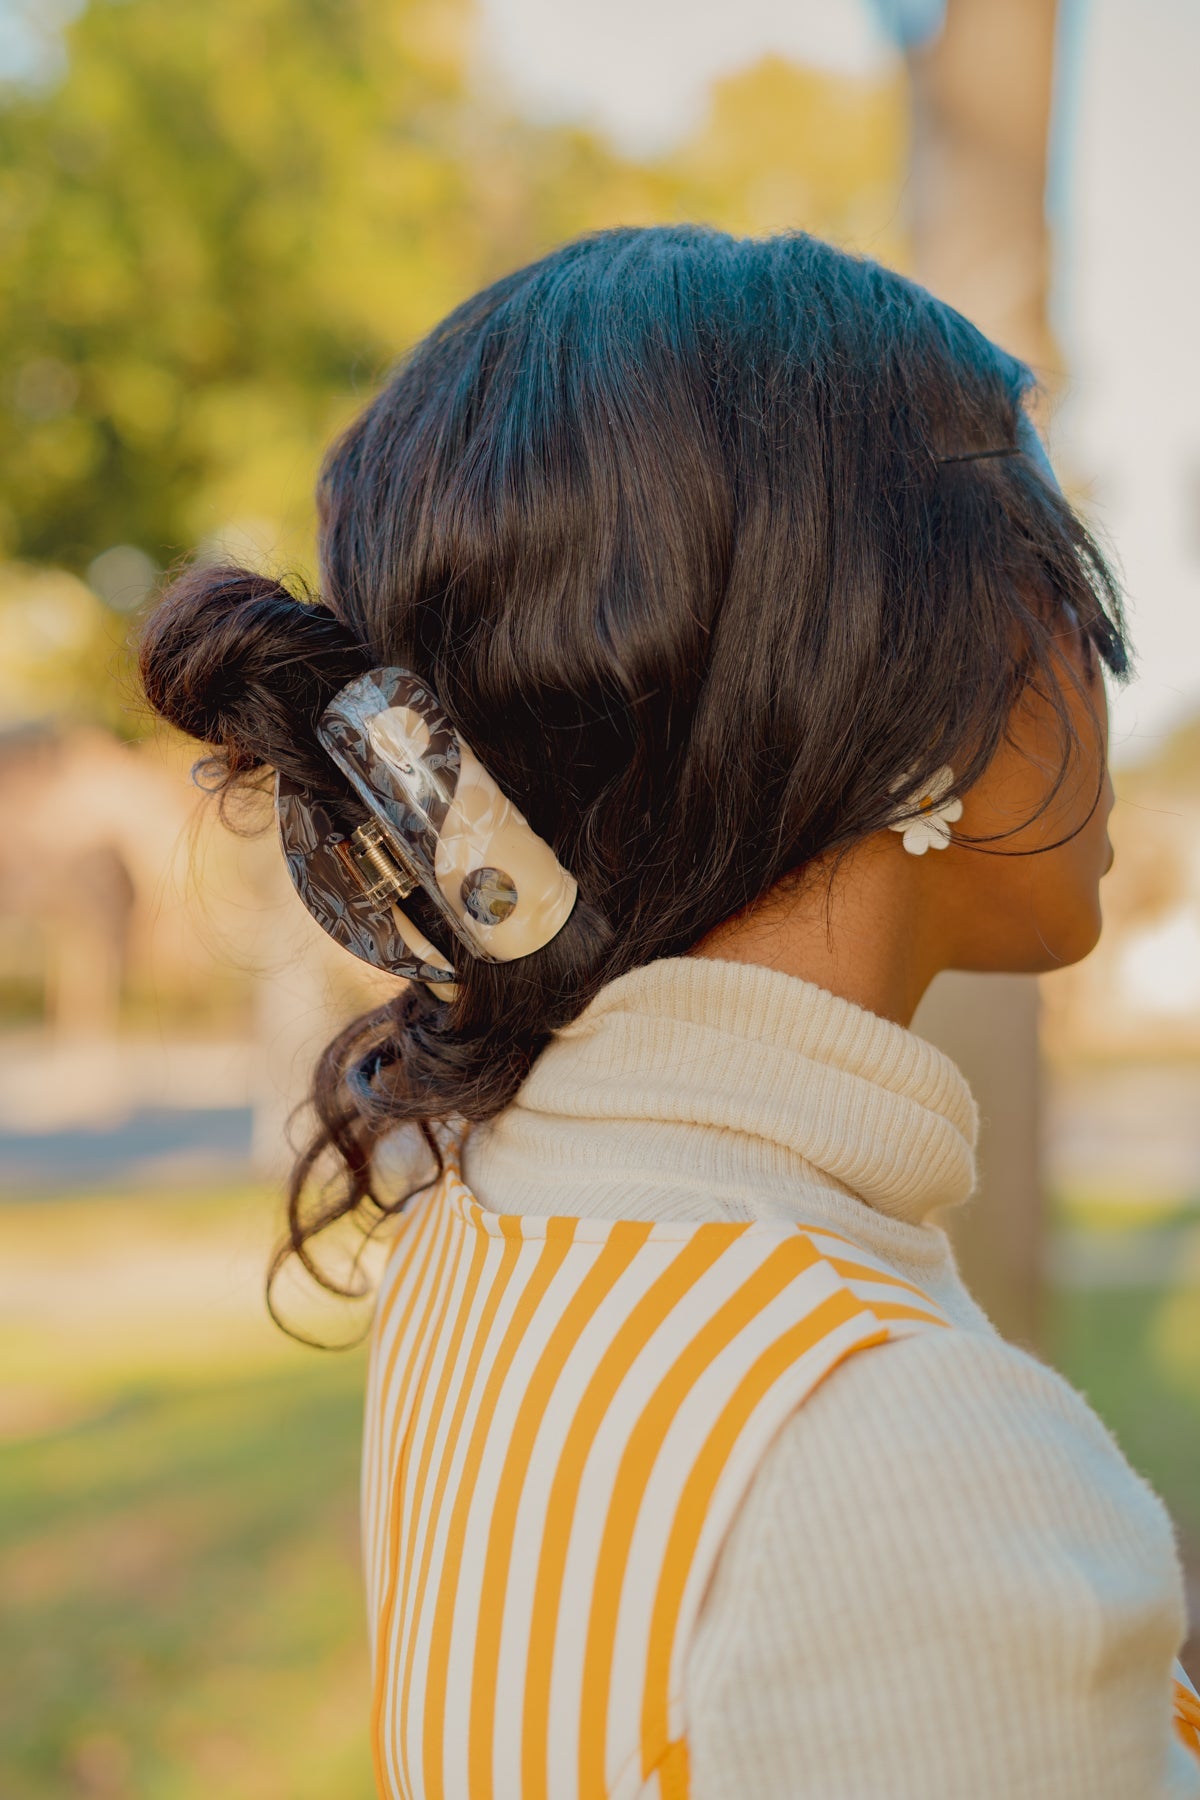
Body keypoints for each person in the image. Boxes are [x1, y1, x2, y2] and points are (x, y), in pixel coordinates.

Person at [139, 226, 1200, 1799]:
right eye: (1064, 575)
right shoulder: (914, 1461)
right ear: (931, 672)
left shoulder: (494, 1213)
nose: (1111, 668)